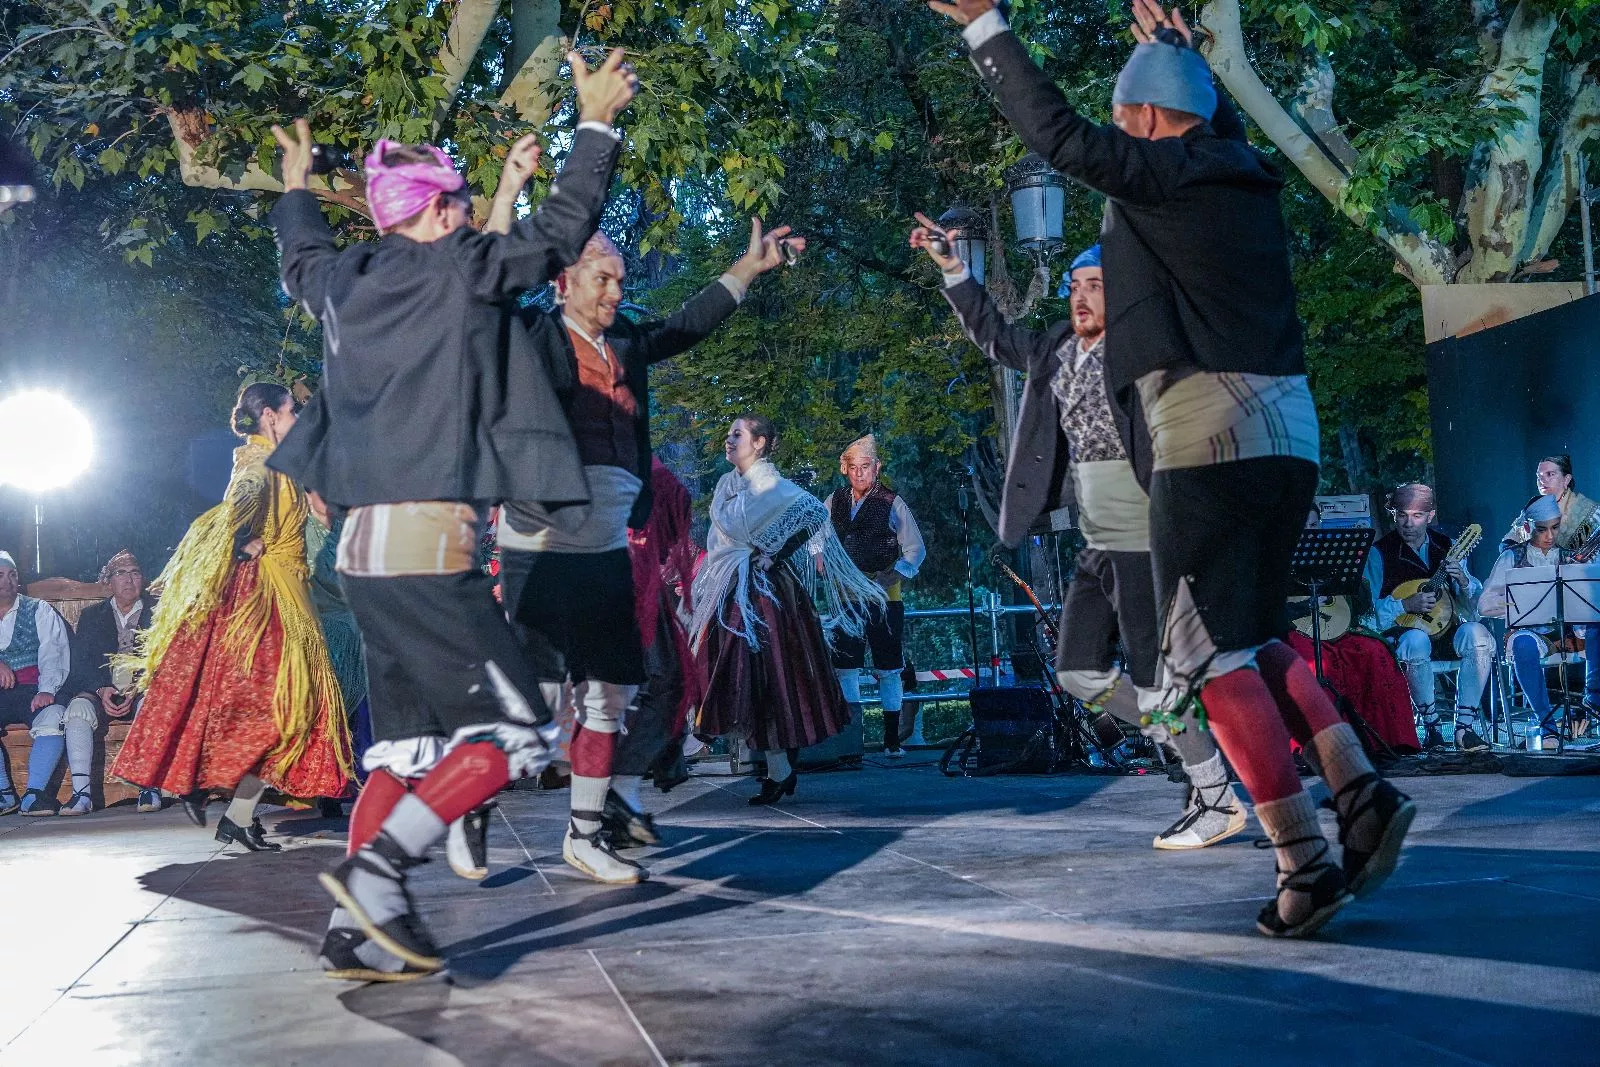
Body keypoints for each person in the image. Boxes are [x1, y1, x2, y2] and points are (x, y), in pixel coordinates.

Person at [928, 0, 1413, 937]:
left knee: (1197, 662)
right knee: (1257, 633)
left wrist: (986, 23)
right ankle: (1359, 790)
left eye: (1127, 122)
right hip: (1287, 429)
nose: (1119, 140)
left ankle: (1302, 860)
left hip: (1208, 429)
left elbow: (1060, 135)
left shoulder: (1163, 173)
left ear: (1146, 123)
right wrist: (1178, 54)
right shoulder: (1240, 170)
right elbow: (1202, 120)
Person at [266, 51, 637, 981]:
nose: (474, 215)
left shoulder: (342, 284)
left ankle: (356, 930)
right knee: (515, 732)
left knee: (403, 749)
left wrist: (297, 188)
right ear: (435, 216)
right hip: (431, 552)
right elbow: (557, 235)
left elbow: (301, 254)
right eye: (464, 203)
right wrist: (594, 125)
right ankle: (382, 870)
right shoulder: (454, 268)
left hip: (360, 553)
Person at [913, 230, 1245, 850]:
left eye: (1095, 288)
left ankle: (1217, 797)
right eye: (1075, 289)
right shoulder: (1057, 352)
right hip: (1097, 540)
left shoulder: (1147, 357)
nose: (1082, 299)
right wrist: (954, 268)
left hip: (1146, 536)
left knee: (1154, 685)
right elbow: (995, 335)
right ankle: (1181, 736)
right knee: (1077, 672)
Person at [494, 218, 801, 884]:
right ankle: (469, 797)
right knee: (540, 705)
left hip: (607, 539)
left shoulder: (627, 338)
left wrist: (747, 269)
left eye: (620, 280)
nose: (614, 292)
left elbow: (686, 325)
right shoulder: (532, 338)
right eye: (601, 279)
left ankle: (585, 831)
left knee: (609, 691)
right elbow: (485, 299)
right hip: (541, 539)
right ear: (562, 281)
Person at [111, 383, 351, 847]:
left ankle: (234, 811)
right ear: (269, 417)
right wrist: (243, 535)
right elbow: (244, 496)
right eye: (290, 412)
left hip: (288, 597)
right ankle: (226, 803)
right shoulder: (258, 462)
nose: (296, 420)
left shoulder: (278, 462)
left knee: (287, 714)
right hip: (267, 606)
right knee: (283, 712)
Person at [689, 416, 886, 804]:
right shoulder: (728, 487)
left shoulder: (771, 486)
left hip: (765, 596)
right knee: (739, 675)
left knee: (769, 678)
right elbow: (723, 542)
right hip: (733, 589)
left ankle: (776, 768)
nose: (728, 441)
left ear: (760, 443)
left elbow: (814, 515)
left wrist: (776, 552)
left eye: (737, 435)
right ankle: (775, 769)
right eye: (729, 435)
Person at [603, 458, 706, 849]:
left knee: (646, 688)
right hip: (619, 580)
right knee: (639, 689)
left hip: (629, 578)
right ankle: (609, 803)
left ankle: (616, 801)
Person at [1363, 483, 1494, 752]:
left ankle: (1464, 728)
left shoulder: (1448, 547)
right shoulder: (1379, 553)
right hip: (1402, 636)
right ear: (1394, 515)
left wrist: (1465, 582)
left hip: (1445, 630)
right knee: (1416, 640)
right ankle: (1432, 726)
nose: (1408, 523)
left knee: (1478, 636)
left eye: (1417, 516)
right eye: (1402, 515)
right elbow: (1367, 614)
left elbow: (1472, 611)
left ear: (1430, 516)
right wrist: (1404, 605)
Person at [1285, 511, 1418, 756]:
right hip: (1294, 630)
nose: (1308, 532)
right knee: (1319, 663)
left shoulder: (1331, 556)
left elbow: (1360, 605)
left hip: (1337, 627)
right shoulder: (1273, 556)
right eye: (1302, 526)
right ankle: (1323, 746)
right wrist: (1304, 604)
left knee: (1375, 652)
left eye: (1314, 526)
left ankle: (1389, 741)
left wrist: (1355, 571)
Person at [827, 434, 927, 759]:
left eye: (865, 466)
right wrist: (824, 564)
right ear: (845, 468)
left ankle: (891, 740)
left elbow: (915, 549)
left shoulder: (891, 502)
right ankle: (851, 741)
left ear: (877, 467)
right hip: (845, 598)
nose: (859, 473)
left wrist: (896, 571)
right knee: (846, 667)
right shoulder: (834, 501)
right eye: (853, 467)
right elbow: (818, 540)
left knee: (889, 666)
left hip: (884, 598)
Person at [43, 550, 161, 815]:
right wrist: (100, 688)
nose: (129, 580)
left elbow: (168, 659)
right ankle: (82, 795)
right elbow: (81, 664)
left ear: (143, 579)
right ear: (109, 581)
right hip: (102, 688)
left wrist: (138, 687)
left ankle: (149, 787)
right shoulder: (92, 616)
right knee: (77, 711)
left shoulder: (159, 612)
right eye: (121, 573)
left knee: (153, 704)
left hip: (142, 688)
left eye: (135, 572)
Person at [1479, 494, 1600, 750]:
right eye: (1542, 529)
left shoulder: (1568, 558)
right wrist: (1514, 605)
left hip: (1565, 634)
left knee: (1597, 626)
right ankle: (1547, 726)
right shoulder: (1511, 557)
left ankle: (1593, 700)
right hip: (1531, 633)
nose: (1549, 536)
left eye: (1555, 527)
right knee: (1523, 644)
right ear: (1527, 528)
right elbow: (1484, 604)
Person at [0, 550, 72, 816]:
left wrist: (46, 689)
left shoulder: (38, 609)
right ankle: (5, 795)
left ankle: (33, 795)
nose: (6, 581)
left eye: (12, 575)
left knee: (54, 717)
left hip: (32, 690)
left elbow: (53, 651)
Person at [1501, 455, 1599, 554]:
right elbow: (1510, 541)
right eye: (1539, 476)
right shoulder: (1532, 508)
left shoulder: (1591, 512)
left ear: (1566, 479)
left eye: (1550, 474)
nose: (1542, 481)